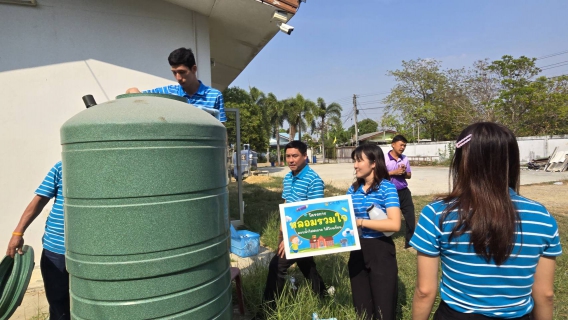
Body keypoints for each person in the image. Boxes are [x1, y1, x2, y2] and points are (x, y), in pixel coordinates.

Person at [410, 122, 562, 320]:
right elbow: (545, 295)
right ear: (511, 161)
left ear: (462, 161)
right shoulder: (542, 217)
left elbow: (424, 291)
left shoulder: (437, 213)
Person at [261, 140, 326, 306]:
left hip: (301, 234)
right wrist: (282, 229)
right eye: (288, 156)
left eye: (295, 156)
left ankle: (267, 310)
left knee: (277, 266)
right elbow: (286, 203)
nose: (291, 160)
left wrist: (292, 236)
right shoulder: (288, 177)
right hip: (286, 230)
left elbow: (315, 215)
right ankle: (322, 293)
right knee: (306, 263)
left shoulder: (314, 180)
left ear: (305, 156)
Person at [6, 161, 70, 320]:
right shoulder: (62, 166)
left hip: (91, 255)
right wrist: (17, 233)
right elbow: (40, 200)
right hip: (55, 249)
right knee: (58, 306)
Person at [347, 144, 401, 320]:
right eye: (354, 161)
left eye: (359, 160)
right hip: (357, 250)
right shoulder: (352, 190)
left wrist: (362, 222)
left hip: (380, 250)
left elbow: (394, 225)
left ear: (373, 163)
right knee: (362, 308)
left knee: (383, 309)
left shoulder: (387, 188)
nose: (355, 165)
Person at [126, 47, 226, 123]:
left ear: (194, 69)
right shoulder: (168, 93)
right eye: (174, 72)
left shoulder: (214, 96)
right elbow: (131, 91)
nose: (178, 77)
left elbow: (222, 130)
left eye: (182, 72)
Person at [385, 135, 415, 250]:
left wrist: (403, 173)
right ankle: (385, 241)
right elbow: (378, 175)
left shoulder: (405, 158)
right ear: (393, 144)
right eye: (401, 145)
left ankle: (410, 243)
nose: (403, 148)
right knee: (387, 217)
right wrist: (393, 172)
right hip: (389, 192)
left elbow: (409, 175)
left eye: (405, 146)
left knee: (410, 217)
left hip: (404, 192)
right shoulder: (384, 158)